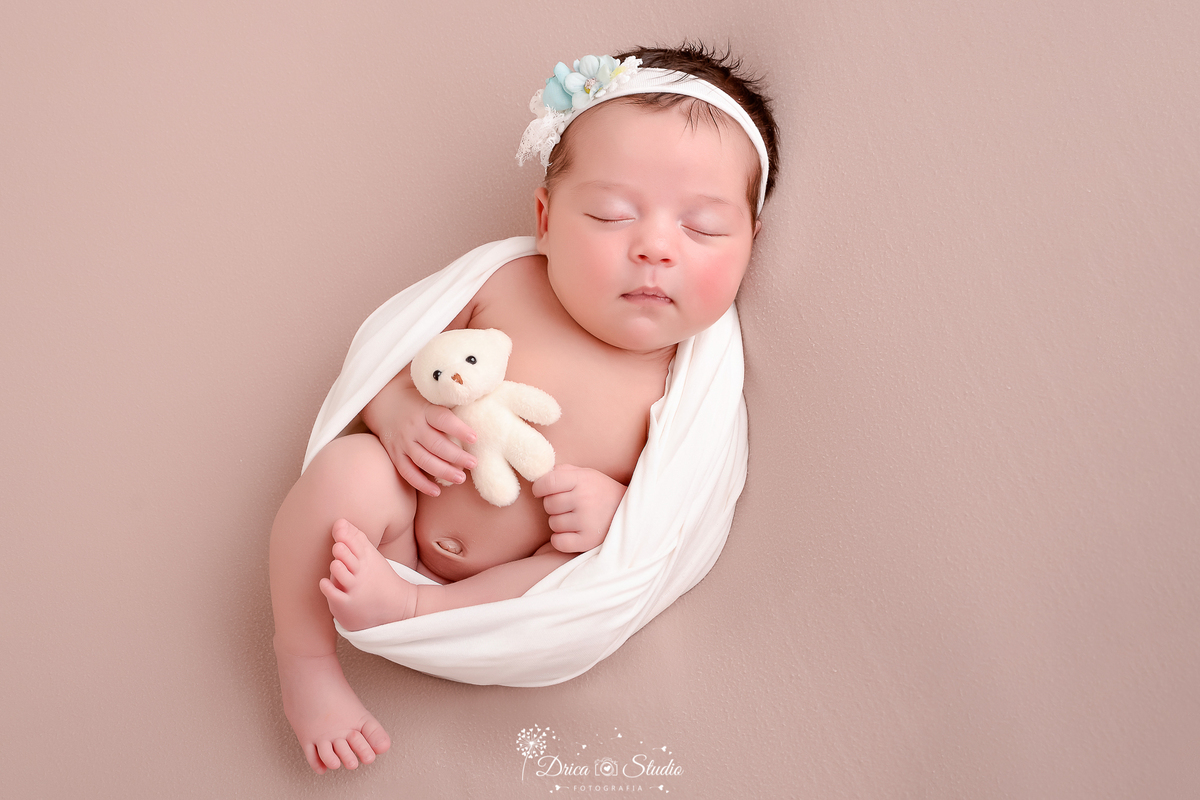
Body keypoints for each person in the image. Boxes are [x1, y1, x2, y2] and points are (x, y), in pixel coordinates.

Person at [269, 43, 781, 774]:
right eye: (609, 214)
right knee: (348, 470)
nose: (655, 249)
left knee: (563, 568)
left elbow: (669, 520)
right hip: (400, 525)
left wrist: (612, 513)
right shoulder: (505, 283)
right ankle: (305, 656)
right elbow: (383, 359)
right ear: (544, 216)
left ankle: (418, 613)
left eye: (702, 228)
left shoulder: (686, 381)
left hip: (509, 586)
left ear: (751, 244)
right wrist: (393, 411)